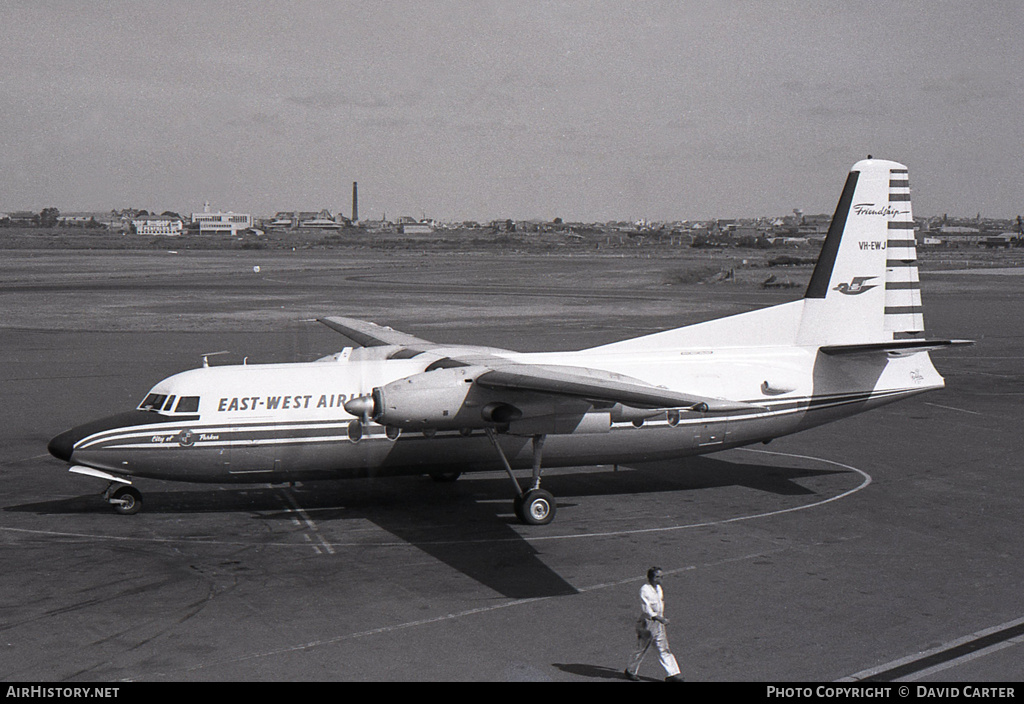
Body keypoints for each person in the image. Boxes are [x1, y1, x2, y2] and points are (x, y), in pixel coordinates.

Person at [625, 566, 684, 682]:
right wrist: (660, 618)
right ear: (651, 578)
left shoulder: (658, 588)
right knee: (641, 649)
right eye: (657, 577)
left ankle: (673, 674)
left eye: (661, 576)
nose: (660, 579)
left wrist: (660, 620)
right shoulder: (645, 590)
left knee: (663, 648)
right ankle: (630, 670)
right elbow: (647, 610)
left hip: (658, 623)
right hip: (647, 624)